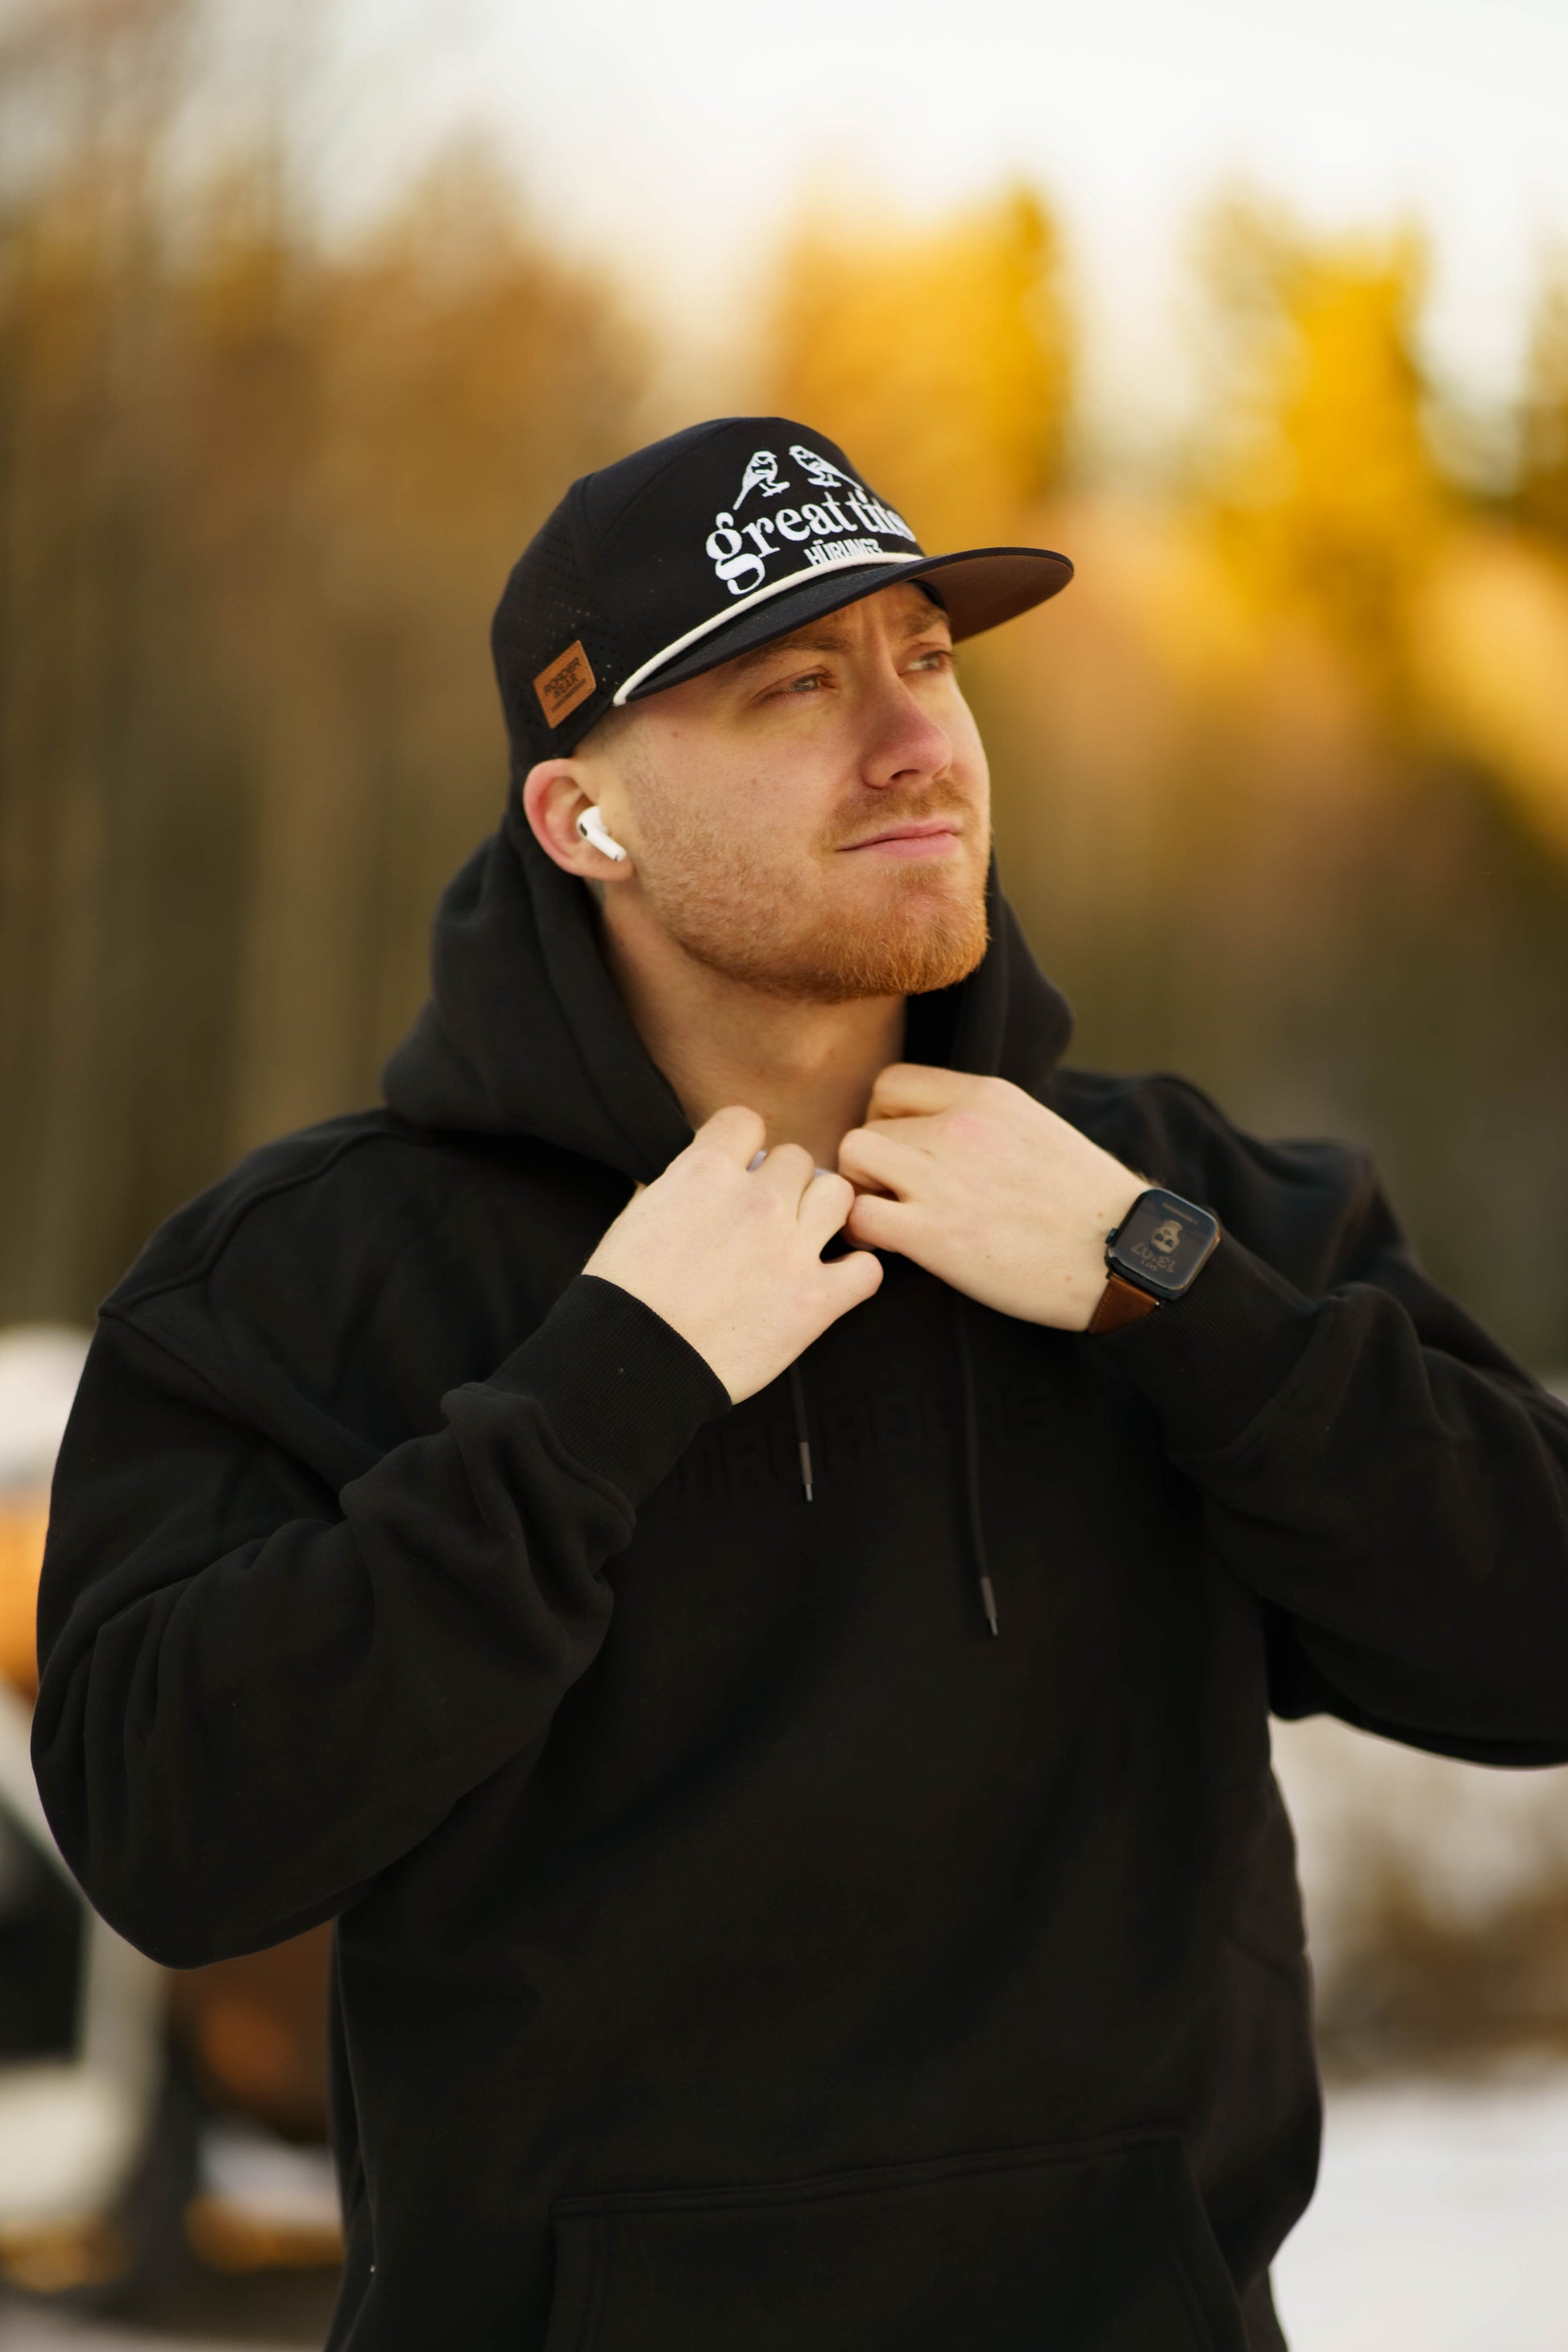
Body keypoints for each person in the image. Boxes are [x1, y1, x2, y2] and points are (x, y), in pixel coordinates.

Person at [31, 417, 1568, 2351]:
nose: (917, 739)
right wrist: (604, 1389)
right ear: (583, 819)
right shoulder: (308, 1276)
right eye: (795, 684)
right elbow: (170, 1839)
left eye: (926, 658)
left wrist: (1175, 1294)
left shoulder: (1180, 1207)